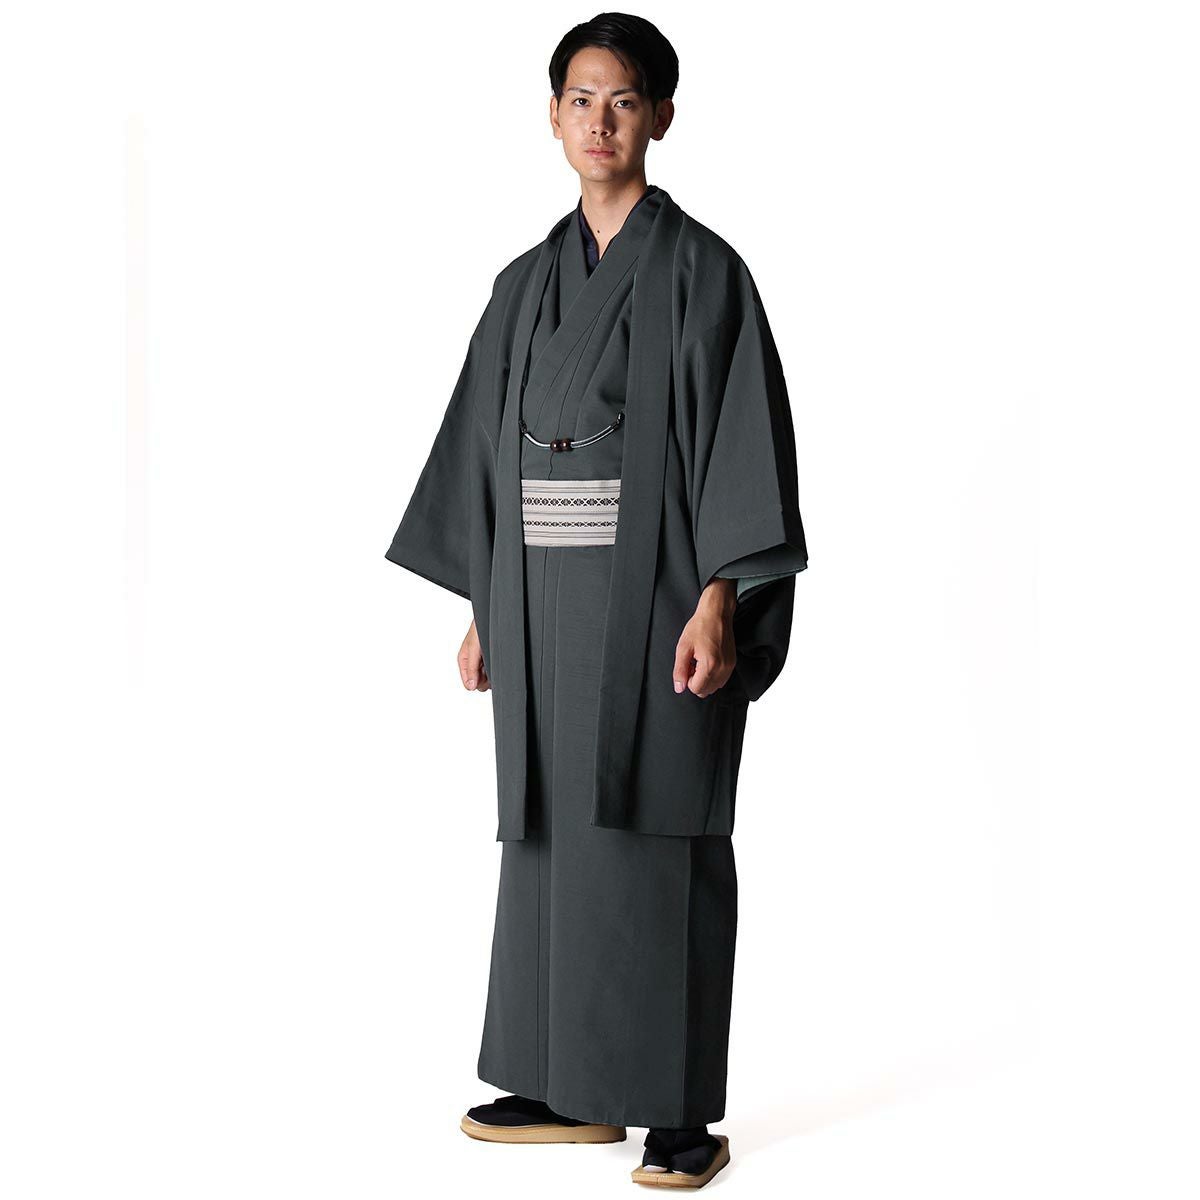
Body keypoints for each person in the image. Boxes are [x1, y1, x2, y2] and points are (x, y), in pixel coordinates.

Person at [384, 13, 808, 1189]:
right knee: (548, 841)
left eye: (623, 100)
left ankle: (676, 1112)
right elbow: (487, 459)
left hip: (660, 599)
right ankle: (562, 1082)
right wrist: (485, 604)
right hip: (537, 605)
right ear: (552, 115)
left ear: (661, 116)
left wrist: (722, 597)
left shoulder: (706, 274)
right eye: (580, 98)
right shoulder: (523, 287)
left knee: (659, 834)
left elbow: (742, 447)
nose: (600, 121)